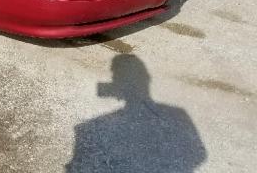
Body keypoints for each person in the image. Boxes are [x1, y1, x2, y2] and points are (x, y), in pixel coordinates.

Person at [66, 54, 206, 172]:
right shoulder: (177, 113)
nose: (114, 78)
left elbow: (199, 155)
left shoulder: (177, 114)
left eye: (115, 75)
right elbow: (199, 155)